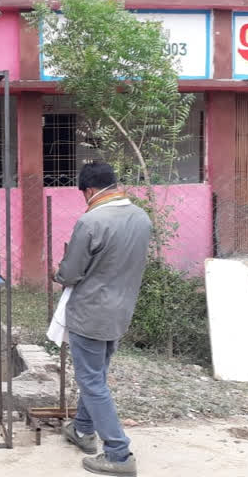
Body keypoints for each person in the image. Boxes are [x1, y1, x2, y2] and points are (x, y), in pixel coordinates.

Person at [53, 162, 152, 477]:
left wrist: (56, 271)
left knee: (92, 382)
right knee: (96, 376)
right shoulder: (141, 218)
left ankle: (119, 454)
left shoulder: (91, 221)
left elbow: (69, 273)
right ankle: (82, 429)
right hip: (121, 311)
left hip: (90, 313)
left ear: (90, 190)